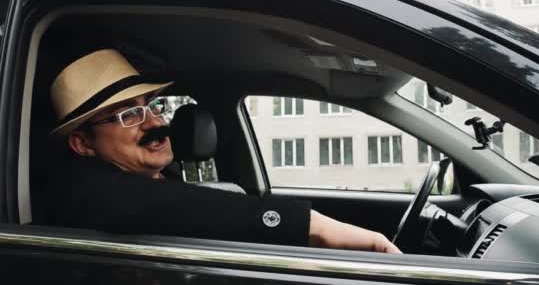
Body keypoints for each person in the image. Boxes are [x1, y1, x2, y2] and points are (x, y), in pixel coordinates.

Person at [45, 49, 400, 253]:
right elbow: (153, 204)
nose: (154, 122)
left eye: (151, 106)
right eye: (129, 114)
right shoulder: (82, 191)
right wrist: (313, 225)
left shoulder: (155, 179)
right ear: (83, 143)